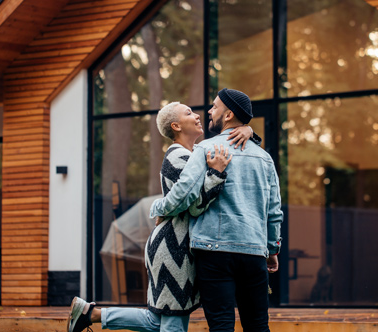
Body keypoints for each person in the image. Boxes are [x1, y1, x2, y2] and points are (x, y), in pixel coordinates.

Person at [67, 102, 257, 332]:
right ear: (176, 126)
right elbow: (195, 206)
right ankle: (91, 313)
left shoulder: (190, 154)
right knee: (173, 323)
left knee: (159, 321)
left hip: (176, 245)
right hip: (173, 248)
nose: (197, 116)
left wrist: (248, 130)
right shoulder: (179, 157)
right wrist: (216, 173)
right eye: (189, 113)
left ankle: (91, 313)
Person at [149, 88, 283, 332]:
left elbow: (183, 194)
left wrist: (157, 206)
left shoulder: (205, 149)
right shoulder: (265, 158)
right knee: (258, 326)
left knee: (221, 326)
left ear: (229, 114)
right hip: (254, 251)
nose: (209, 111)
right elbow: (274, 211)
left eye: (215, 107)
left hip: (214, 252)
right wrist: (272, 248)